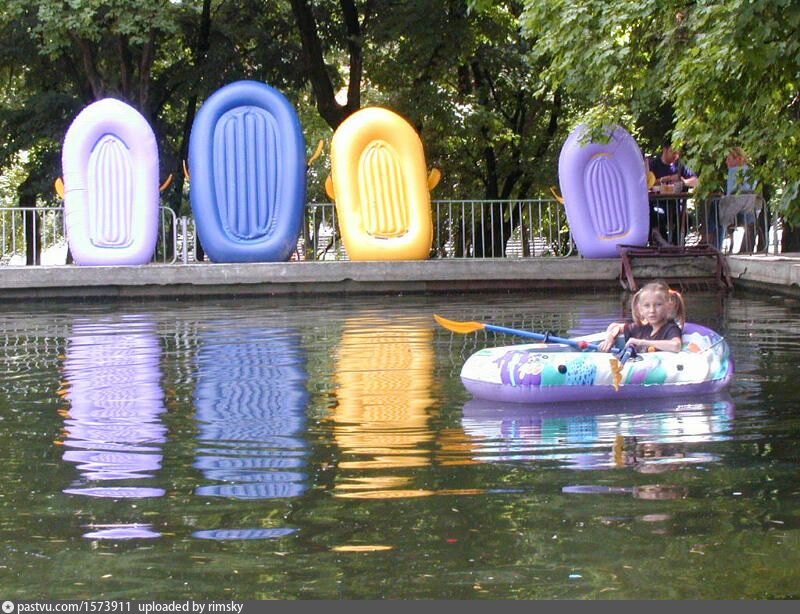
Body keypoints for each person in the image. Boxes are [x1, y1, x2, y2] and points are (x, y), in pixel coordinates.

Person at [598, 280, 686, 354]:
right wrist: (610, 338)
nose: (652, 310)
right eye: (647, 306)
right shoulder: (641, 327)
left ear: (668, 306)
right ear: (640, 309)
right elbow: (614, 326)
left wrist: (641, 342)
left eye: (658, 305)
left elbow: (676, 346)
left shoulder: (670, 328)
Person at [648, 144, 699, 245]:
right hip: (657, 205)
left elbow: (696, 181)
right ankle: (662, 244)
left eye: (678, 153)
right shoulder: (653, 165)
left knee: (687, 219)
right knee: (654, 217)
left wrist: (684, 182)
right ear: (665, 150)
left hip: (676, 206)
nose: (676, 155)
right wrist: (666, 179)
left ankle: (675, 245)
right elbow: (647, 182)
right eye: (673, 152)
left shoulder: (680, 165)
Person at [724, 147, 764, 252]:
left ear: (738, 159)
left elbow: (730, 192)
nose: (726, 162)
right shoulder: (751, 172)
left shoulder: (733, 171)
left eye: (729, 159)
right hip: (751, 207)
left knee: (717, 214)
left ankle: (725, 245)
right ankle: (748, 247)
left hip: (735, 208)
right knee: (749, 220)